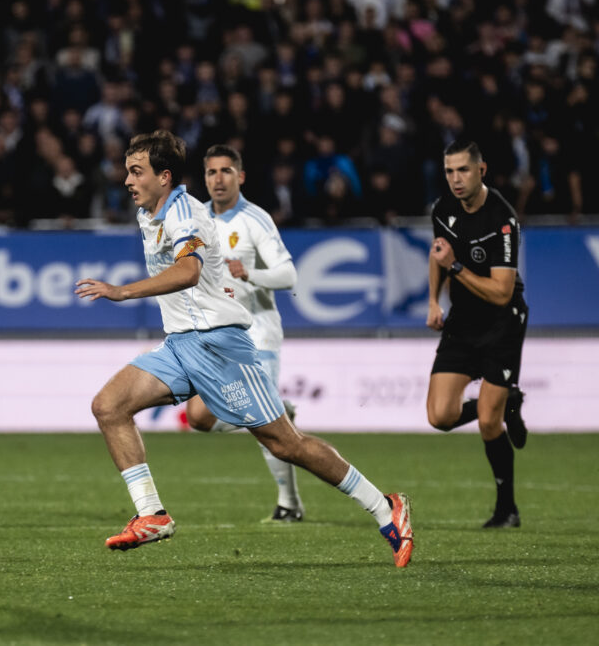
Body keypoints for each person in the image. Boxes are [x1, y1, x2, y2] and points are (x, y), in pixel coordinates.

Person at [75, 130, 413, 567]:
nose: (126, 180)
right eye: (126, 171)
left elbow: (188, 271)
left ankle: (386, 507)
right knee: (108, 405)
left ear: (164, 176)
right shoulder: (150, 213)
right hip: (181, 345)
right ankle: (151, 514)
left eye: (135, 171)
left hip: (221, 346)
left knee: (286, 445)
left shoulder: (185, 215)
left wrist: (122, 292)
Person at [183, 144, 305, 523]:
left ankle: (289, 504)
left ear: (241, 176)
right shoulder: (195, 218)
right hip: (218, 333)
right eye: (211, 173)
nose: (218, 180)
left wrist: (249, 273)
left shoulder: (255, 219)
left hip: (258, 334)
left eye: (226, 172)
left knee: (266, 431)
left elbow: (288, 275)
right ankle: (278, 412)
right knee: (198, 417)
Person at [426, 139, 528, 529]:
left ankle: (507, 509)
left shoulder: (501, 218)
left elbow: (502, 292)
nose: (455, 179)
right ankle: (509, 400)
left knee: (488, 422)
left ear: (481, 170)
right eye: (449, 171)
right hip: (463, 322)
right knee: (440, 416)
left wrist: (455, 269)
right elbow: (438, 252)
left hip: (502, 323)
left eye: (463, 170)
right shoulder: (443, 208)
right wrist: (433, 302)